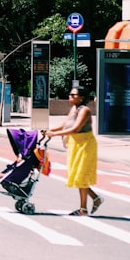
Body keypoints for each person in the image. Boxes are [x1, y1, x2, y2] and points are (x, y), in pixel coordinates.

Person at [42, 86, 102, 216]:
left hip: (85, 144)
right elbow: (65, 125)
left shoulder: (85, 110)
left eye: (73, 95)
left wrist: (54, 134)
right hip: (75, 143)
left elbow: (75, 128)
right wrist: (50, 130)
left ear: (82, 98)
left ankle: (83, 209)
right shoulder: (74, 109)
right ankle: (95, 199)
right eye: (70, 94)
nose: (70, 96)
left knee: (81, 174)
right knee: (76, 174)